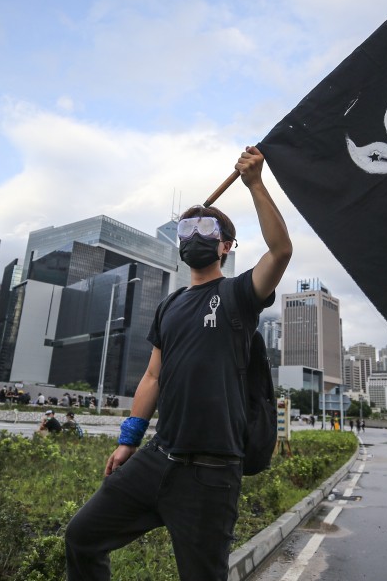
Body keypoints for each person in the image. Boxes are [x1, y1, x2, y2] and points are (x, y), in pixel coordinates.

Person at [65, 146, 292, 581]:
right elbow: (153, 376)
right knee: (82, 536)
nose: (194, 236)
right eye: (187, 229)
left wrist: (255, 184)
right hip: (156, 459)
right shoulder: (169, 306)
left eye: (206, 229)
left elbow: (280, 251)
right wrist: (128, 440)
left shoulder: (239, 296)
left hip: (211, 474)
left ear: (225, 246)